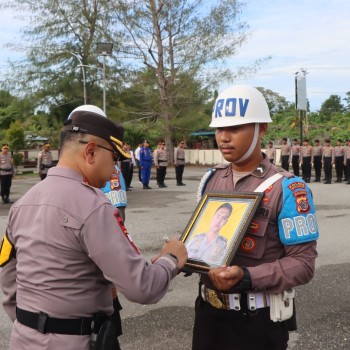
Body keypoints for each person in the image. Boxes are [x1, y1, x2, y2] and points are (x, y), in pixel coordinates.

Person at [0, 104, 187, 350]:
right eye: (113, 158)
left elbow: (7, 276)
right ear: (90, 152)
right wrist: (171, 258)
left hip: (24, 339)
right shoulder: (93, 206)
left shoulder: (22, 203)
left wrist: (33, 325)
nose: (114, 168)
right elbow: (142, 287)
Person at [192, 85, 319, 350]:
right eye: (219, 129)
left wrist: (247, 276)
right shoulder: (210, 179)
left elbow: (303, 264)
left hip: (256, 324)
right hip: (208, 316)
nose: (223, 137)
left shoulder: (286, 188)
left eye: (235, 128)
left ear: (261, 128)